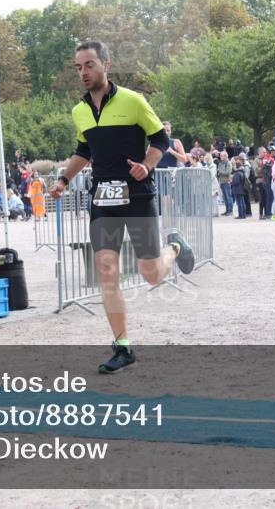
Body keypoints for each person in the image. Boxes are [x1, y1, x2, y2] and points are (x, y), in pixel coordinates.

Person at [48, 40, 194, 374]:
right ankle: (123, 346)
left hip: (137, 194)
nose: (84, 72)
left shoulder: (133, 101)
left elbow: (160, 140)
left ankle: (174, 246)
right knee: (107, 272)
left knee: (151, 273)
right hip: (102, 200)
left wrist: (147, 164)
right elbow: (84, 149)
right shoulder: (80, 110)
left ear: (106, 65)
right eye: (79, 67)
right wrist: (63, 180)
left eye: (89, 65)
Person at [215, 150, 233, 216]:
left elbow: (228, 172)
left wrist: (220, 172)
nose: (220, 157)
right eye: (220, 156)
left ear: (225, 156)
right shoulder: (220, 163)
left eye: (222, 156)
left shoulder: (228, 163)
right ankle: (227, 210)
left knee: (228, 196)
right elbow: (219, 171)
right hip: (221, 182)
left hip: (226, 181)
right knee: (225, 197)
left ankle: (230, 211)